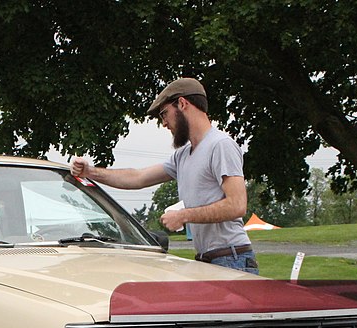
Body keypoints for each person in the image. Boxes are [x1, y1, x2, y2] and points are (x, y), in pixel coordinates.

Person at [70, 77, 256, 274]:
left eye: (164, 114)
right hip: (207, 259)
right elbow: (138, 177)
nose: (164, 123)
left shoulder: (220, 145)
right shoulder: (183, 155)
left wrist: (183, 216)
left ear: (183, 104)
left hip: (232, 259)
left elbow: (237, 205)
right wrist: (90, 172)